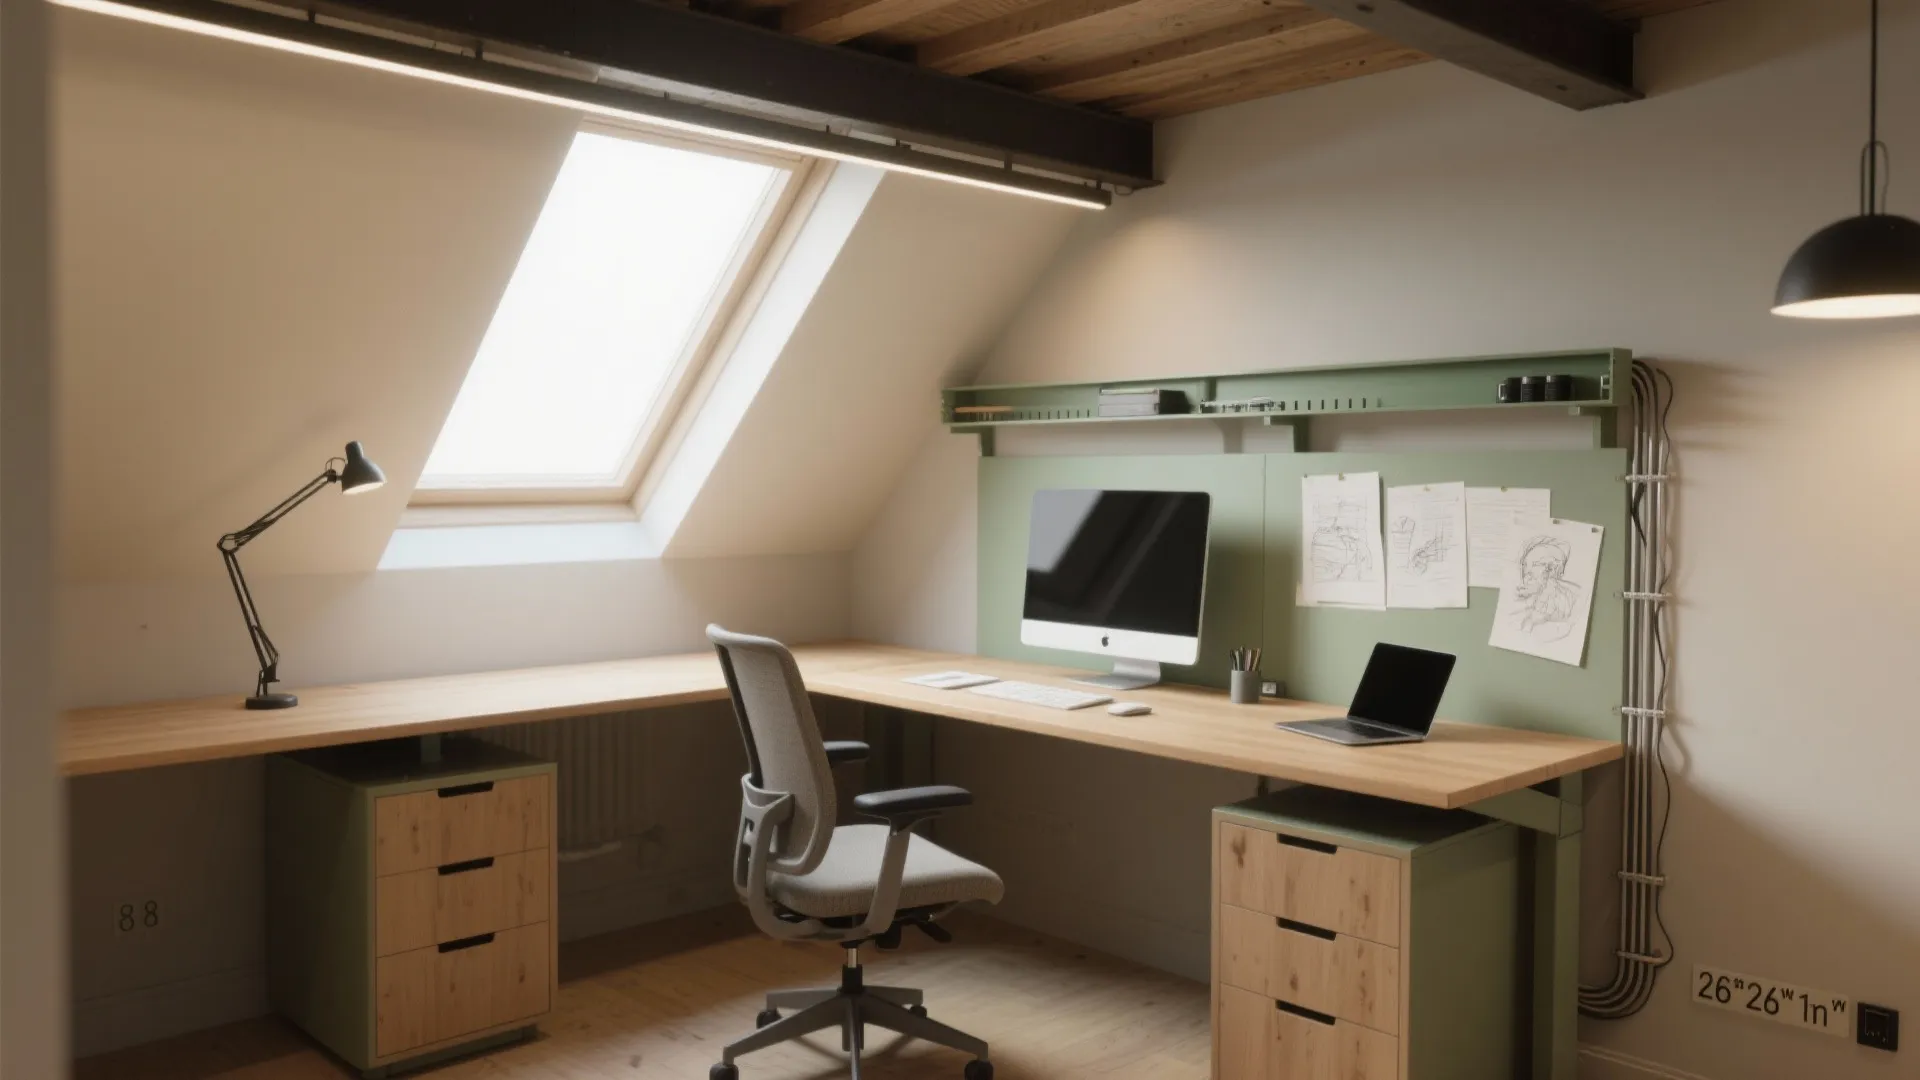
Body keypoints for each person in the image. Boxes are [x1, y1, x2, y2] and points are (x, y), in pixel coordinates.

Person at [1513, 535, 1579, 641]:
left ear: (1554, 570)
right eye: (1525, 564)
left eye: (1535, 564)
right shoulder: (1524, 601)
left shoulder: (1562, 601)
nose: (1526, 572)